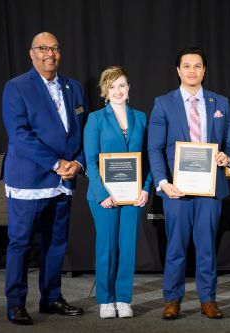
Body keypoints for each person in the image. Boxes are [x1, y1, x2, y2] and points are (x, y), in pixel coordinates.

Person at [1, 32, 86, 325]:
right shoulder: (16, 87)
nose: (50, 53)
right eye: (43, 48)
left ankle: (51, 297)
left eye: (55, 48)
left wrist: (77, 162)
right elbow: (19, 134)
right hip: (29, 179)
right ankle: (15, 303)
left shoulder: (72, 87)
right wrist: (55, 162)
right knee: (21, 243)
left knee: (56, 243)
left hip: (64, 180)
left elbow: (83, 132)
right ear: (32, 53)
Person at [148, 46, 230, 319]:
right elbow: (155, 148)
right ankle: (172, 299)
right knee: (175, 246)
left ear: (204, 71)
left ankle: (208, 299)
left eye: (197, 66)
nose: (192, 71)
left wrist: (227, 156)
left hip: (210, 189)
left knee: (207, 246)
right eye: (186, 66)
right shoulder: (163, 103)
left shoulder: (219, 103)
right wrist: (163, 183)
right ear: (178, 70)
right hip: (177, 189)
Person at [83, 66, 152, 319]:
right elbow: (90, 161)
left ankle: (123, 298)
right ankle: (106, 299)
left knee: (127, 247)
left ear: (129, 87)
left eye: (122, 85)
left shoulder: (142, 117)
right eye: (112, 86)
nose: (118, 90)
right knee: (107, 247)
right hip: (103, 197)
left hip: (134, 195)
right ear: (105, 91)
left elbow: (149, 158)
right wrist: (102, 194)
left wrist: (146, 188)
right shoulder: (95, 119)